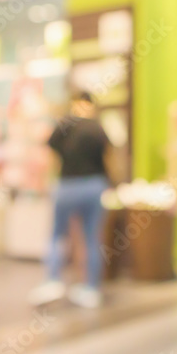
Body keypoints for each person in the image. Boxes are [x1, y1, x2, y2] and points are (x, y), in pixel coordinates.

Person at [29, 91, 115, 308]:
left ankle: (53, 280)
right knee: (92, 237)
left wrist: (46, 181)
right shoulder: (98, 127)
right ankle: (91, 288)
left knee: (58, 234)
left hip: (68, 185)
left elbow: (51, 154)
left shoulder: (65, 125)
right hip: (94, 185)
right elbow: (109, 157)